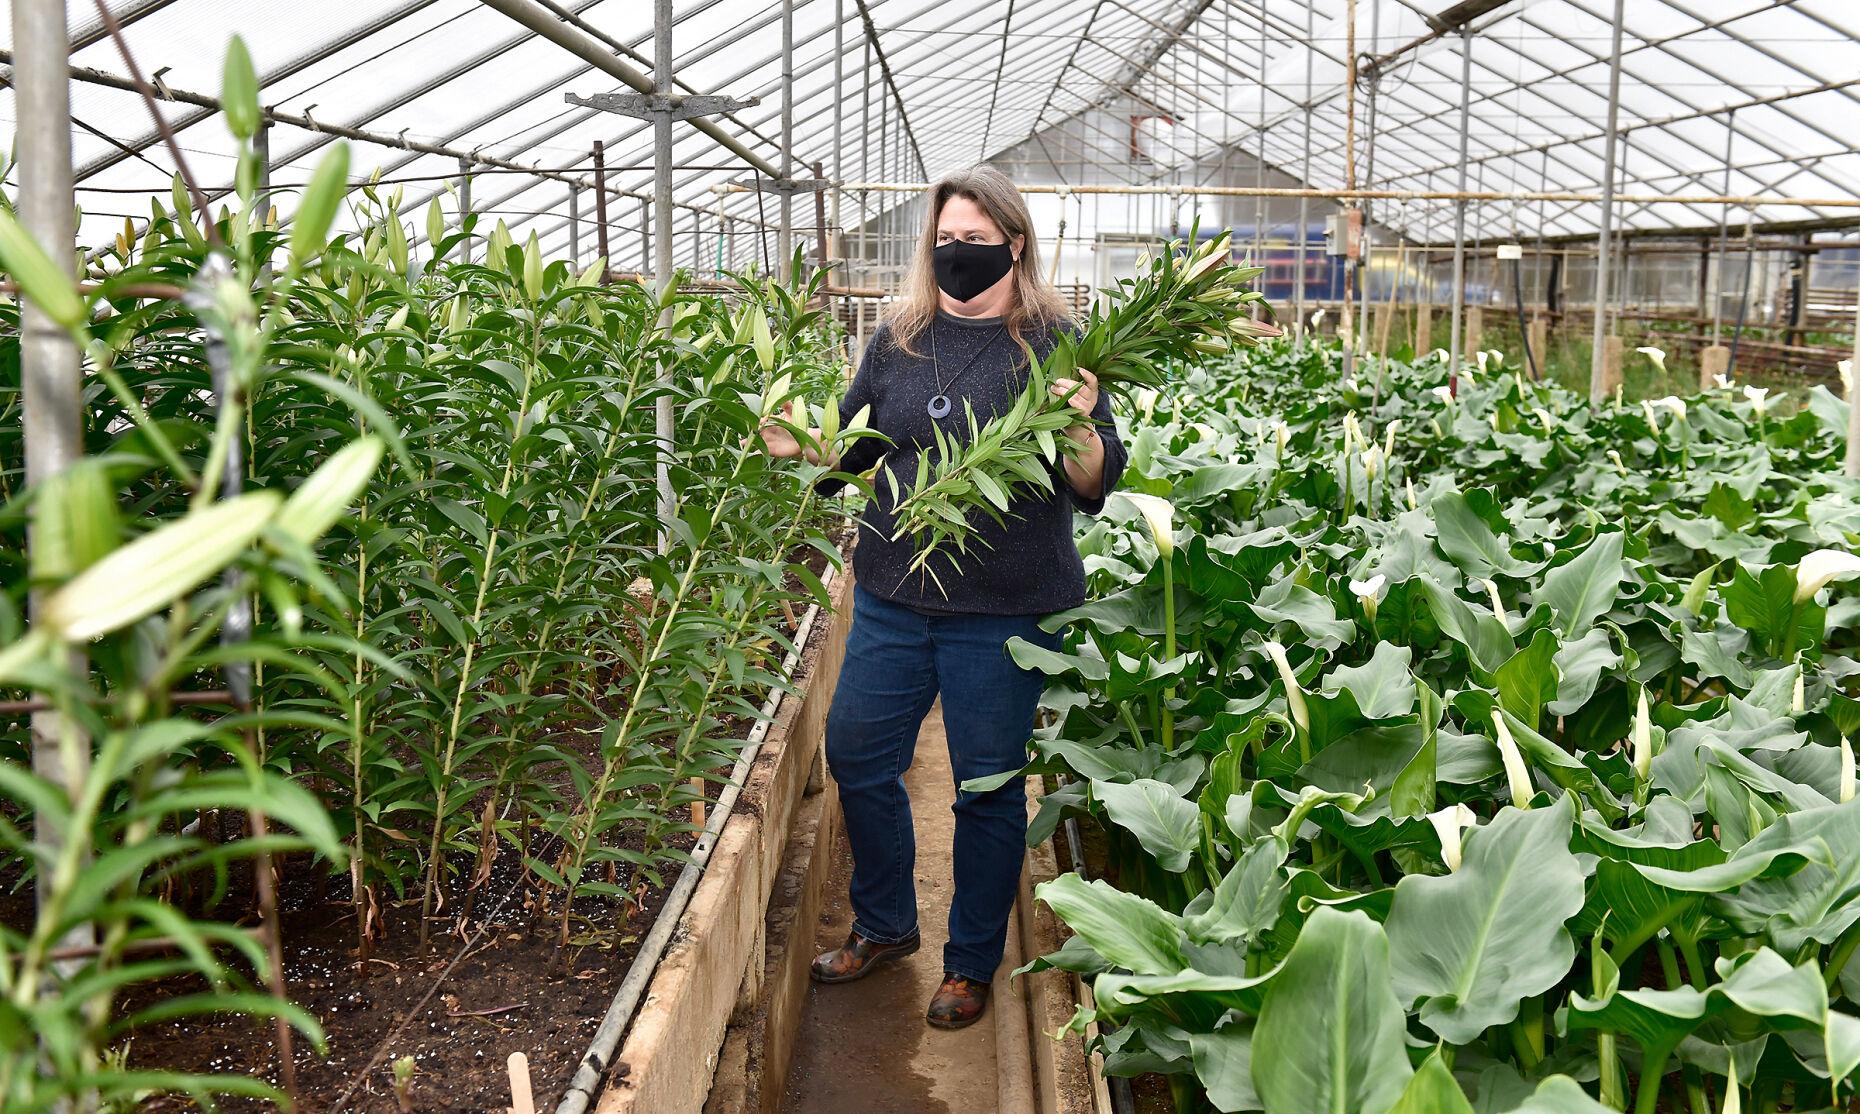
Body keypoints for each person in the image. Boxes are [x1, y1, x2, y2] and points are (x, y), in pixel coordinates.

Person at [757, 164, 1126, 1030]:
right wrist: (804, 447)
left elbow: (1095, 481)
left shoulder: (1056, 342)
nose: (958, 253)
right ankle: (886, 925)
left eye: (976, 240)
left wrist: (1078, 421)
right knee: (857, 755)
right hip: (894, 593)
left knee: (985, 789)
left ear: (1015, 244)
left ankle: (969, 964)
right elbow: (854, 449)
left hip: (1005, 609)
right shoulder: (901, 338)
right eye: (946, 239)